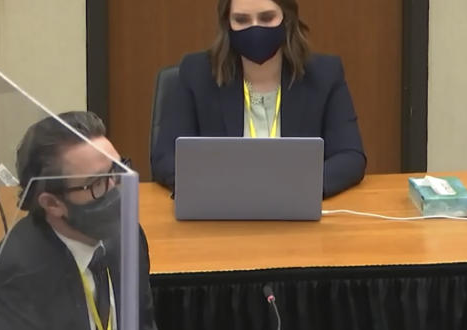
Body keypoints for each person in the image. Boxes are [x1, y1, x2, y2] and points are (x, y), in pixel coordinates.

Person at [0, 111, 185, 330]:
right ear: (52, 204)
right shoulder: (16, 275)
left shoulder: (125, 237)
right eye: (98, 183)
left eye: (118, 170)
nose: (117, 187)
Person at [150, 0, 366, 198]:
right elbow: (165, 157)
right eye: (242, 20)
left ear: (287, 19)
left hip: (295, 212)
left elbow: (350, 157)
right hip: (221, 215)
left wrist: (297, 188)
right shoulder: (196, 73)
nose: (255, 29)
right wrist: (219, 189)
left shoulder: (325, 75)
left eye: (266, 18)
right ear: (227, 24)